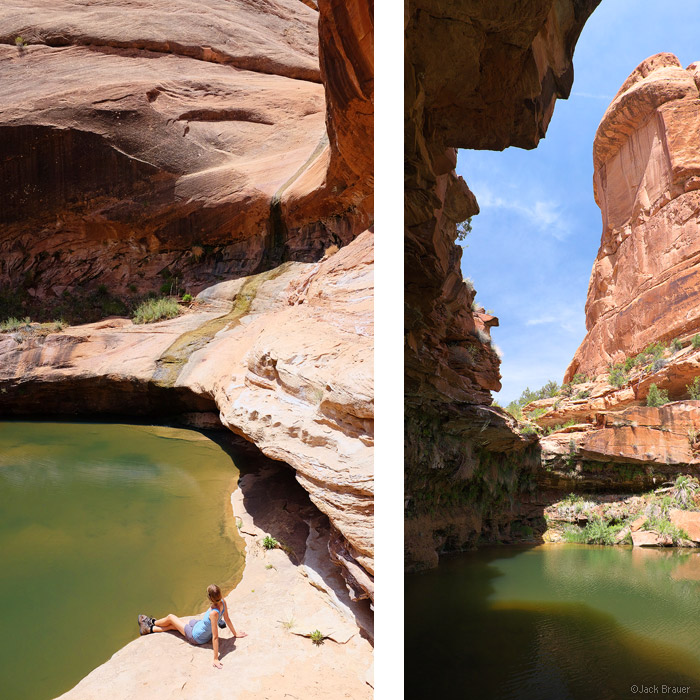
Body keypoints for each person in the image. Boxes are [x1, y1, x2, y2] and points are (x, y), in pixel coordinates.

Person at [138, 584, 247, 668]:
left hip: (197, 636)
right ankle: (149, 629)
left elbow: (215, 636)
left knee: (171, 618)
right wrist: (235, 633)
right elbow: (227, 619)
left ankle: (152, 622)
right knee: (174, 626)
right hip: (200, 626)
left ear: (209, 597)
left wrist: (215, 658)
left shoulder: (214, 613)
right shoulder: (223, 602)